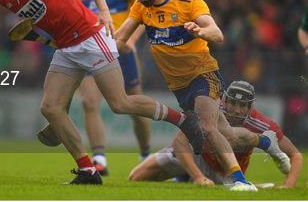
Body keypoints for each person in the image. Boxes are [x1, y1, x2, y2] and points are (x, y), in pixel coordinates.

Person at [0, 0, 204, 185]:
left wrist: (105, 13)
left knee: (120, 103)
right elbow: (47, 18)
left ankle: (183, 120)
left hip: (90, 37)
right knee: (50, 107)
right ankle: (88, 171)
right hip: (66, 47)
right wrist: (45, 39)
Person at [114, 0, 290, 191]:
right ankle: (265, 140)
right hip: (178, 85)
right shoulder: (141, 6)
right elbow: (119, 38)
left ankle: (240, 181)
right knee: (228, 135)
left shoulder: (188, 2)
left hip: (203, 73)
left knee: (207, 129)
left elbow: (217, 33)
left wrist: (202, 31)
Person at [70, 0, 150, 174]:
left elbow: (144, 12)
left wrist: (131, 40)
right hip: (91, 51)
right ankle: (100, 159)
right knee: (89, 102)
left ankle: (146, 154)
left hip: (121, 50)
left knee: (133, 106)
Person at [129, 81, 303, 189]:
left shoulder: (262, 123)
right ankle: (187, 177)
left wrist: (287, 186)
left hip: (224, 171)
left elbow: (296, 156)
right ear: (224, 100)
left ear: (250, 107)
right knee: (136, 177)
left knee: (229, 136)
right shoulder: (210, 109)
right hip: (199, 158)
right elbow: (179, 143)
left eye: (242, 105)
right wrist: (198, 177)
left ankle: (264, 142)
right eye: (232, 103)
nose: (235, 109)